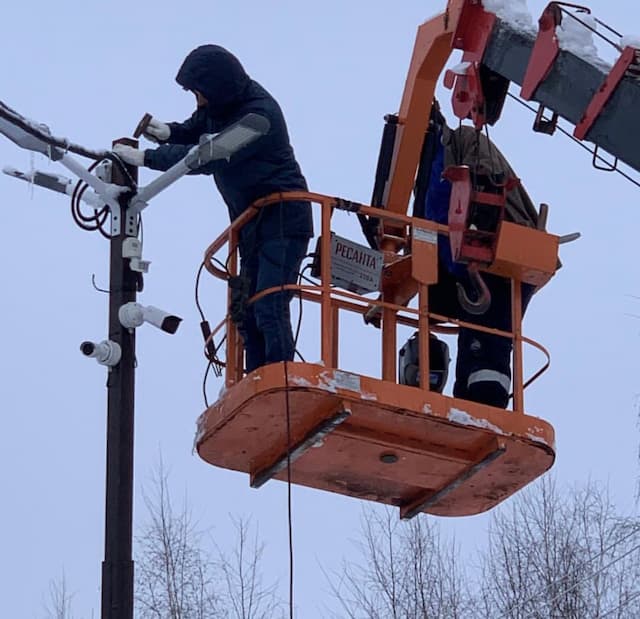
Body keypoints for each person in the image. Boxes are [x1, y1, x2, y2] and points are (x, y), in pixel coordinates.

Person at [113, 45, 313, 373]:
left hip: (283, 220)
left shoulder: (259, 118)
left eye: (199, 93)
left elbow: (210, 154)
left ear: (219, 86)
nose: (198, 101)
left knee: (268, 302)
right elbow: (195, 130)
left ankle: (280, 379)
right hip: (251, 225)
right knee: (245, 310)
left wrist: (148, 159)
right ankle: (256, 379)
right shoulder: (221, 105)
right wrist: (168, 132)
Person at [412, 101, 540, 408]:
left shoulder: (455, 148)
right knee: (479, 337)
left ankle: (483, 405)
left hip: (492, 256)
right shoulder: (448, 151)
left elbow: (446, 210)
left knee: (486, 341)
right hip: (488, 260)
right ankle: (471, 404)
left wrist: (438, 264)